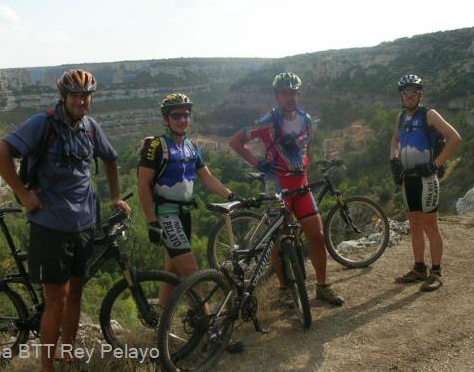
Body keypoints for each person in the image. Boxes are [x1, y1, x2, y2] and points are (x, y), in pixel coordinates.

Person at [0, 69, 131, 372]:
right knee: (57, 301)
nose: (81, 101)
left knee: (76, 293)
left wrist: (115, 197)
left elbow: (111, 158)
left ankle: (68, 354)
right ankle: (47, 367)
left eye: (86, 95)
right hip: (51, 225)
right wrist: (23, 194)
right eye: (75, 95)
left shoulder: (90, 127)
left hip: (84, 224)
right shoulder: (42, 124)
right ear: (63, 97)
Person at [137, 93, 243, 352]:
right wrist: (152, 220)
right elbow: (143, 184)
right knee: (194, 274)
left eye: (186, 114)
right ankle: (212, 333)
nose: (183, 119)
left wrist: (231, 195)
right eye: (177, 115)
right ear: (166, 119)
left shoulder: (191, 147)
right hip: (166, 215)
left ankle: (158, 331)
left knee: (171, 272)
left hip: (184, 215)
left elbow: (206, 177)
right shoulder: (156, 146)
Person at [229, 72, 344, 306]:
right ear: (277, 96)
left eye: (293, 93)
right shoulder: (268, 121)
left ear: (298, 94)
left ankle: (322, 286)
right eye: (284, 93)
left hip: (300, 185)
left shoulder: (306, 119)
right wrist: (257, 163)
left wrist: (305, 168)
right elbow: (235, 141)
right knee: (279, 241)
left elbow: (306, 147)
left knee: (317, 237)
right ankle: (284, 290)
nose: (289, 97)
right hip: (277, 185)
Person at [389, 74, 461, 292]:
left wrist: (436, 164)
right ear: (401, 96)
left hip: (426, 179)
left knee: (430, 226)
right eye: (405, 92)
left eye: (413, 91)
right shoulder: (401, 117)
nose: (409, 96)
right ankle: (419, 269)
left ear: (421, 94)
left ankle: (436, 272)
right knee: (414, 225)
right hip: (408, 179)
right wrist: (394, 159)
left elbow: (455, 138)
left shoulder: (429, 114)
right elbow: (395, 139)